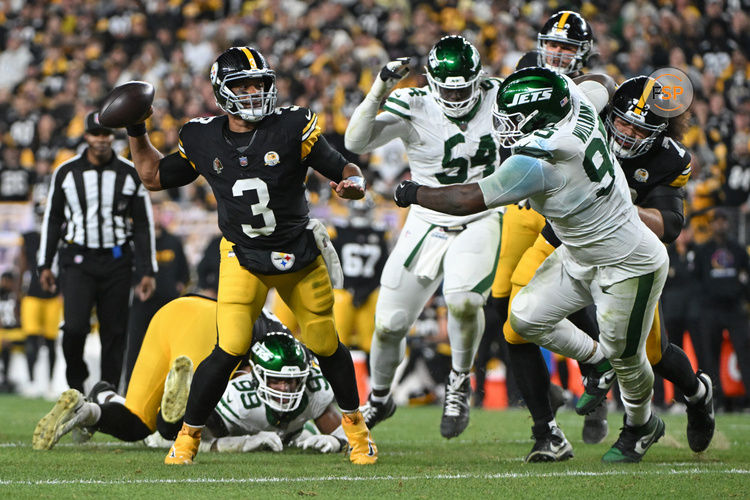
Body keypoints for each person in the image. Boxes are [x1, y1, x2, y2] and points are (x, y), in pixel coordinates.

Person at [395, 67, 669, 463]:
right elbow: (602, 84)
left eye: (515, 118)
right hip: (577, 253)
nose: (504, 125)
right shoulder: (577, 102)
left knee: (630, 359)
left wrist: (413, 191)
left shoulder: (542, 160)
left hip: (628, 262)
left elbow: (467, 199)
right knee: (522, 319)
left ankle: (642, 425)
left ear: (540, 118)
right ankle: (596, 360)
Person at [124, 46, 376, 465]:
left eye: (259, 83)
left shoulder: (293, 125)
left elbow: (344, 167)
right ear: (222, 92)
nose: (254, 91)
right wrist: (136, 131)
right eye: (242, 84)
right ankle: (186, 440)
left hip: (298, 253)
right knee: (230, 347)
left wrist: (356, 184)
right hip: (243, 255)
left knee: (323, 341)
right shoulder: (202, 136)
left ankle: (358, 434)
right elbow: (152, 176)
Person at [345, 35, 503, 439]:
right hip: (427, 219)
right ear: (432, 82)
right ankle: (380, 398)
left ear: (478, 79)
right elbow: (354, 142)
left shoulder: (499, 95)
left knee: (465, 301)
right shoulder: (414, 103)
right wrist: (381, 86)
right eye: (447, 87)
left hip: (481, 215)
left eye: (463, 87)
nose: (456, 96)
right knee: (390, 323)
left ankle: (458, 381)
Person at [484, 10, 607, 460]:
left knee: (564, 304)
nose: (557, 53)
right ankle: (552, 411)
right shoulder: (524, 72)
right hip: (521, 205)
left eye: (567, 47)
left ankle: (594, 379)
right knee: (500, 308)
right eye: (552, 44)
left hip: (565, 210)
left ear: (582, 53)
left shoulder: (594, 86)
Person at [571, 76, 715, 453]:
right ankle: (596, 368)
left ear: (659, 131)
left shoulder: (668, 158)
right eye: (622, 122)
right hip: (579, 246)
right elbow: (594, 82)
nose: (628, 133)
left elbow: (670, 224)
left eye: (640, 127)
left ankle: (697, 394)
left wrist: (623, 208)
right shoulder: (589, 125)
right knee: (535, 307)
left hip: (629, 258)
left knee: (653, 353)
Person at [33, 296, 347, 454]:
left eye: (291, 381)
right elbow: (201, 435)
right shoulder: (258, 381)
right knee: (169, 432)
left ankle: (92, 405)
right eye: (281, 380)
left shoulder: (286, 357)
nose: (286, 387)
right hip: (210, 332)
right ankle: (177, 400)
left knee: (135, 422)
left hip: (176, 311)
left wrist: (317, 438)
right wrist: (245, 442)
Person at [37, 112, 157, 392]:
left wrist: (147, 270)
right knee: (75, 327)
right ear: (86, 136)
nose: (101, 140)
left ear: (112, 137)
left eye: (106, 134)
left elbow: (142, 224)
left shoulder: (129, 173)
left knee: (114, 333)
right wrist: (45, 264)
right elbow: (53, 219)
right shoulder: (66, 172)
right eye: (96, 134)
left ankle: (107, 395)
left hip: (117, 261)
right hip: (78, 259)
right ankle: (76, 383)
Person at [124, 200, 189, 387]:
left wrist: (178, 285)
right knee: (136, 349)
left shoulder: (173, 241)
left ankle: (171, 389)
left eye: (158, 211)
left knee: (170, 349)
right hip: (142, 303)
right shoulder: (136, 243)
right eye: (151, 212)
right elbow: (126, 269)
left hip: (168, 304)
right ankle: (130, 390)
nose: (155, 216)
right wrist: (135, 285)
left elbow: (183, 271)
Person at [692, 208, 750, 410]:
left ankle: (746, 399)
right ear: (711, 225)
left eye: (723, 221)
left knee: (745, 352)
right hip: (711, 309)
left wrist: (741, 295)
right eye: (716, 221)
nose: (720, 224)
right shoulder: (704, 250)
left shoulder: (738, 249)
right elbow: (696, 280)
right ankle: (716, 399)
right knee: (710, 356)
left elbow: (747, 276)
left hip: (734, 308)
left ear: (728, 224)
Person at [330, 194, 389, 354]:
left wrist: (366, 291)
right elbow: (331, 264)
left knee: (370, 344)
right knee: (338, 340)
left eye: (364, 212)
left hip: (369, 293)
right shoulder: (338, 232)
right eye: (358, 212)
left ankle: (371, 378)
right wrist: (346, 287)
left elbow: (383, 268)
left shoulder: (380, 234)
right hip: (343, 291)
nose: (360, 216)